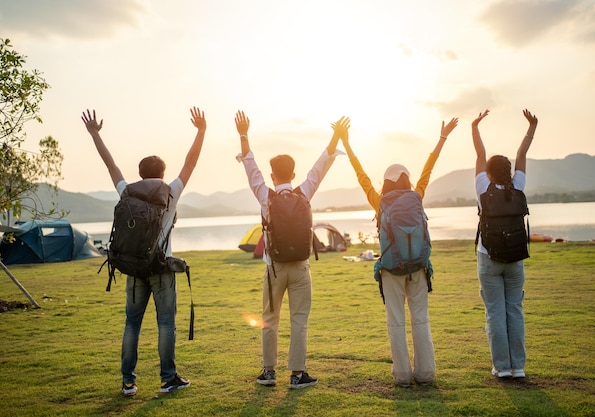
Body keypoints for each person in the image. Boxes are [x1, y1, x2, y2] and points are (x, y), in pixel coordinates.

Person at [81, 107, 207, 396]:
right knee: (165, 324)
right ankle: (168, 378)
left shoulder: (128, 192)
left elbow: (111, 166)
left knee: (132, 324)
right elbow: (191, 162)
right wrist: (201, 131)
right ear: (162, 174)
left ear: (140, 174)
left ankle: (128, 381)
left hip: (134, 267)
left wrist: (95, 135)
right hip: (162, 269)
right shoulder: (170, 191)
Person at [340, 116, 459, 387]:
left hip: (391, 269)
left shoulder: (379, 201)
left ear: (386, 182)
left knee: (395, 322)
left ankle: (403, 376)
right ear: (407, 179)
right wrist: (442, 138)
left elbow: (361, 176)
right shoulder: (416, 195)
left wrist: (347, 144)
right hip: (418, 267)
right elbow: (429, 169)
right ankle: (426, 375)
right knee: (421, 321)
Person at [234, 110, 349, 389]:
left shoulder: (266, 195)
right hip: (300, 267)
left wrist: (243, 135)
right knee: (299, 320)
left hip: (273, 269)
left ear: (272, 176)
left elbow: (251, 168)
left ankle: (269, 373)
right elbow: (321, 167)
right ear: (294, 174)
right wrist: (335, 136)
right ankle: (298, 374)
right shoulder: (304, 192)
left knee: (269, 319)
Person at [471, 108, 538, 379]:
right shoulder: (518, 186)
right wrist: (532, 127)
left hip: (488, 257)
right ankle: (518, 367)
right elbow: (522, 155)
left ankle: (501, 368)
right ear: (509, 172)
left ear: (488, 173)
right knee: (515, 310)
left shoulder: (481, 188)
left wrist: (475, 127)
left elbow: (479, 155)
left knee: (495, 313)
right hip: (515, 258)